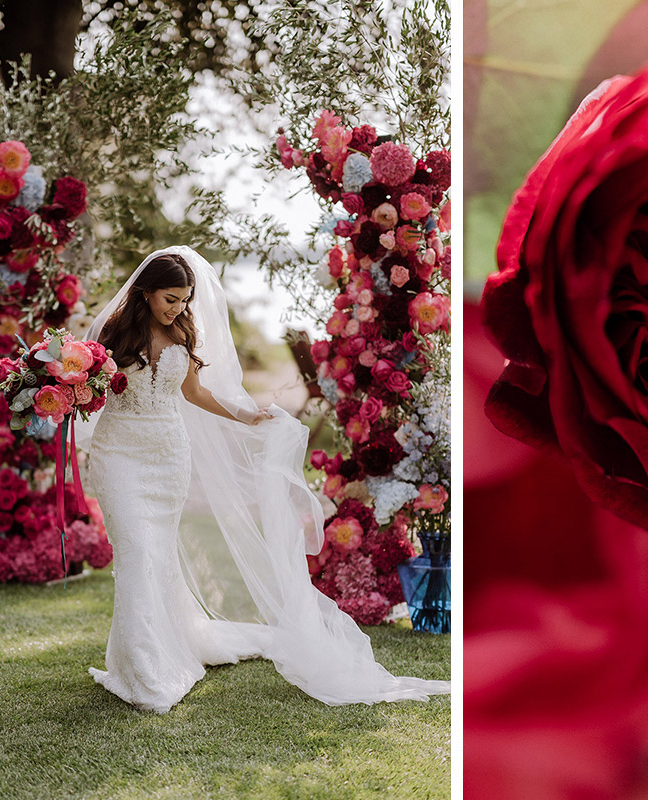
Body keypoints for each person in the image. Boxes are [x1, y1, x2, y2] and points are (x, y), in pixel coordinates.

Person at [83, 246, 449, 713]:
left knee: (156, 552)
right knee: (134, 551)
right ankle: (141, 670)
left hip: (168, 456)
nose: (178, 308)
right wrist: (57, 388)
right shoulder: (111, 335)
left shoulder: (181, 332)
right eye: (170, 299)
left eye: (185, 299)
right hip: (119, 454)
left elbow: (194, 392)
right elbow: (89, 392)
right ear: (146, 292)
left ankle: (160, 652)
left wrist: (246, 415)